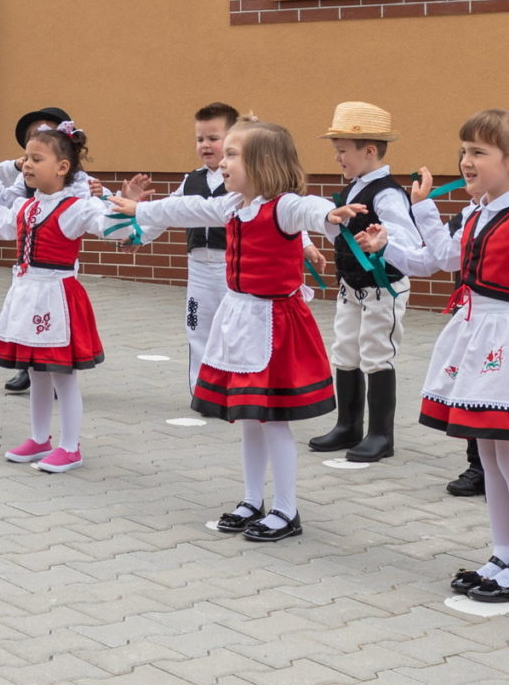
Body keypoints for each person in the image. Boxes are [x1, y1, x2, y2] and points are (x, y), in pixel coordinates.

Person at [368, 109, 509, 606]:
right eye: (464, 151)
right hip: (477, 333)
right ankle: (503, 555)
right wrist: (391, 241)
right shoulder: (476, 214)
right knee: (491, 458)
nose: (466, 161)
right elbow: (436, 260)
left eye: (478, 152)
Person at [109, 120, 355, 543]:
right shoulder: (232, 206)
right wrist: (141, 211)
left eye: (232, 155)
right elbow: (186, 208)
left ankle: (286, 509)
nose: (222, 163)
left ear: (263, 162)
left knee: (273, 420)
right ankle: (251, 499)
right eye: (223, 155)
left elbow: (307, 208)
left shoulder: (282, 207)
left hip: (275, 326)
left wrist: (328, 215)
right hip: (240, 320)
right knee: (248, 418)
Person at [0, 120, 109, 474]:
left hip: (56, 296)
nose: (27, 165)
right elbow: (5, 225)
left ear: (62, 167)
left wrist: (120, 204)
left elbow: (105, 223)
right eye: (26, 158)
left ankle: (70, 447)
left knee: (63, 375)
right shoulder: (28, 206)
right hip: (27, 293)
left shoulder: (75, 206)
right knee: (36, 371)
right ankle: (39, 437)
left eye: (37, 159)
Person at [313, 102, 421, 467]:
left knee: (376, 354)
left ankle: (380, 435)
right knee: (345, 351)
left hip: (381, 289)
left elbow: (408, 238)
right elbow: (340, 234)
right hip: (351, 287)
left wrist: (384, 239)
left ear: (369, 151)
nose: (337, 158)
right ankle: (348, 425)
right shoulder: (354, 190)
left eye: (343, 150)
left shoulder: (387, 193)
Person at [0, 106, 78, 397]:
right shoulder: (24, 185)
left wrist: (119, 212)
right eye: (28, 154)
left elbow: (95, 212)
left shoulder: (77, 182)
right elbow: (5, 205)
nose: (29, 163)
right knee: (27, 314)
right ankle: (29, 367)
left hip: (57, 261)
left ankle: (57, 369)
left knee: (54, 317)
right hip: (28, 262)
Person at [173, 103, 238, 391]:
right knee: (198, 327)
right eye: (200, 139)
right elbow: (168, 211)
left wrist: (305, 244)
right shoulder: (191, 180)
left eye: (213, 138)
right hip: (199, 268)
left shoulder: (244, 179)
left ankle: (234, 390)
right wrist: (137, 235)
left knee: (232, 330)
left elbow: (276, 209)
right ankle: (202, 390)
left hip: (231, 267)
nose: (206, 145)